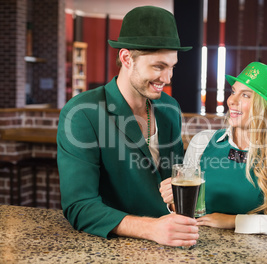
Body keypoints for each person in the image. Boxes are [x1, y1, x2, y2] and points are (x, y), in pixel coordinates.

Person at [57, 6, 199, 247]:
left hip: (170, 242)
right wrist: (151, 228)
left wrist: (176, 199)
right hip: (110, 247)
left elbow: (172, 181)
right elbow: (79, 206)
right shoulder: (81, 113)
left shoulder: (170, 108)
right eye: (158, 66)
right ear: (126, 59)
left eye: (172, 67)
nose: (167, 78)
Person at [160, 62, 267, 240]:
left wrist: (235, 221)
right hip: (196, 248)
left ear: (265, 109)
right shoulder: (202, 141)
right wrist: (174, 203)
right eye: (234, 91)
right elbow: (185, 214)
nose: (232, 101)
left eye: (245, 95)